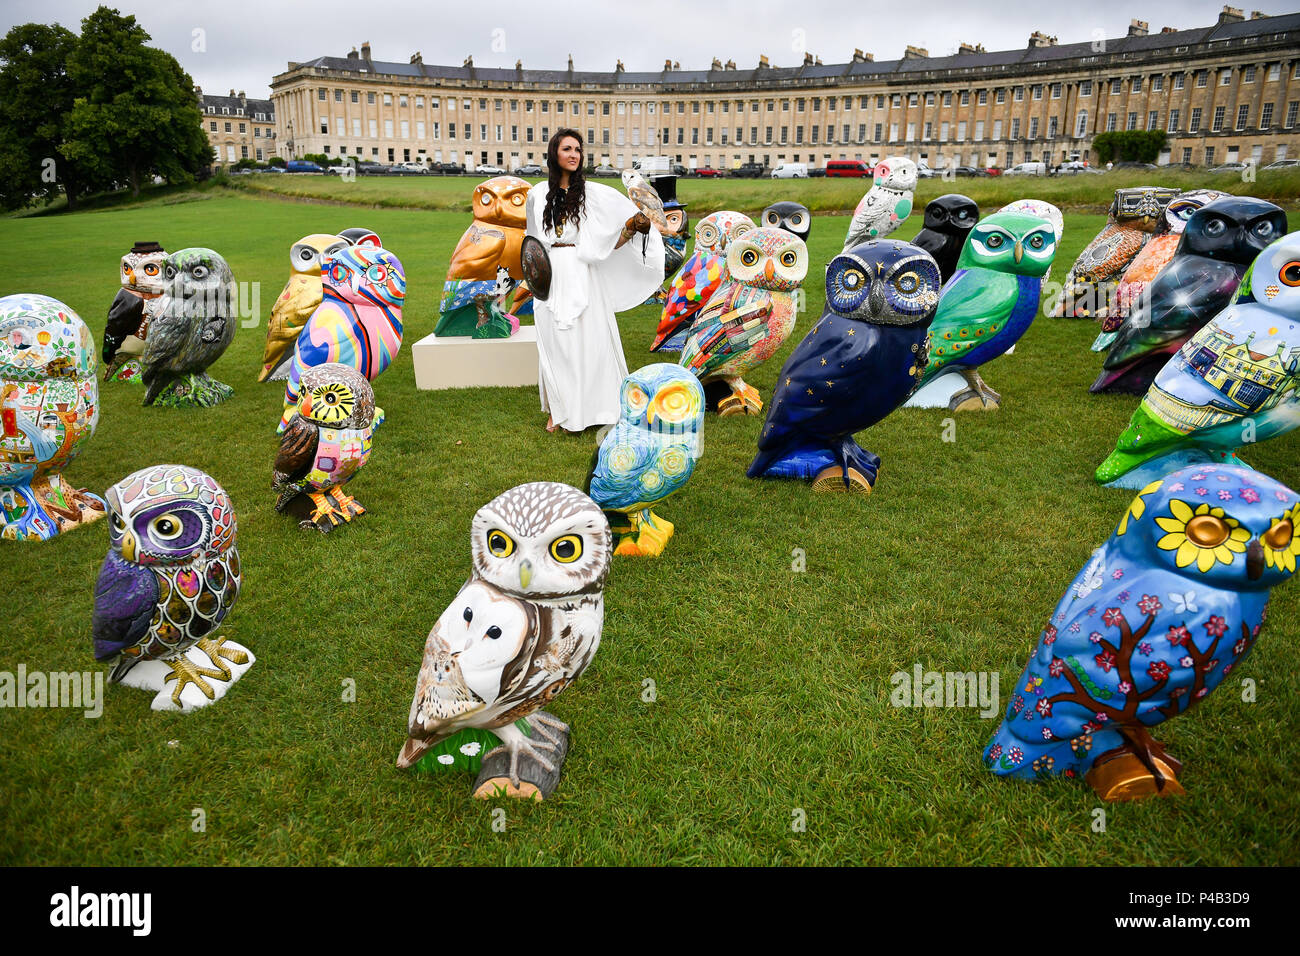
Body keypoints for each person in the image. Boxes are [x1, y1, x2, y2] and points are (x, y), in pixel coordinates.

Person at [526, 129, 664, 432]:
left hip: (584, 274)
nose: (574, 154)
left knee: (590, 344)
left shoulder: (593, 194)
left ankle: (599, 410)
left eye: (578, 149)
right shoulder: (537, 195)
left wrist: (631, 228)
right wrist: (532, 280)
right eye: (567, 149)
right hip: (551, 277)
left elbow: (606, 243)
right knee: (556, 344)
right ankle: (560, 411)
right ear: (554, 154)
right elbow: (532, 243)